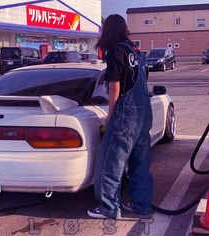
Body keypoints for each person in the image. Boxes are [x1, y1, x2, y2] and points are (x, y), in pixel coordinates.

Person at [87, 14, 153, 219]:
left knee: (111, 162)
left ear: (109, 31)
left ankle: (109, 208)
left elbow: (114, 87)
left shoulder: (115, 51)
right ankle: (141, 204)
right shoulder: (135, 50)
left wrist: (111, 114)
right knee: (140, 162)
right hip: (143, 115)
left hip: (126, 116)